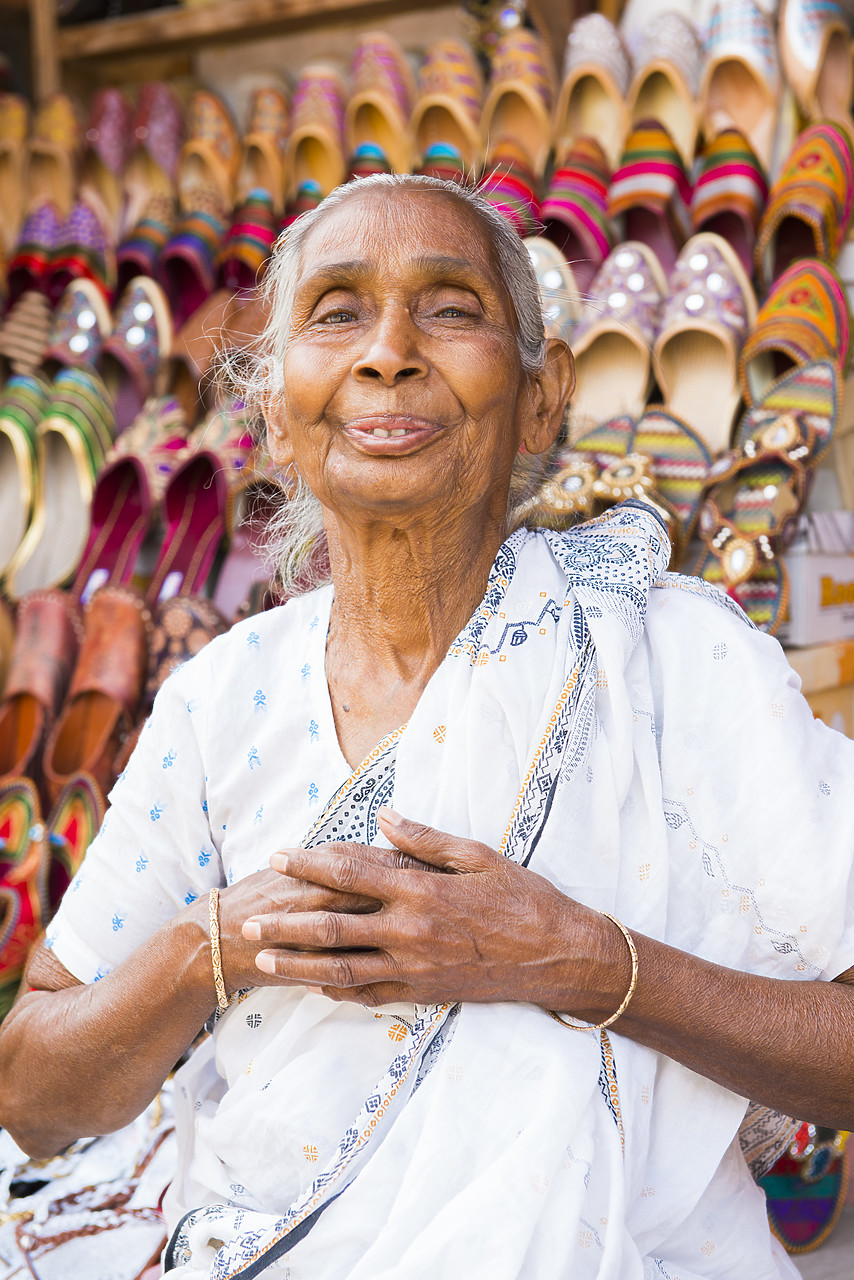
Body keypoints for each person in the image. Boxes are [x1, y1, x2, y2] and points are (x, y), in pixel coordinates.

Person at [0, 173, 853, 1280]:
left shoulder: (677, 662)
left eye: (449, 306)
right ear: (273, 408)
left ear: (541, 401)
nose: (388, 349)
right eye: (337, 309)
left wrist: (588, 961)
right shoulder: (222, 699)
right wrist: (207, 947)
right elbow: (31, 1095)